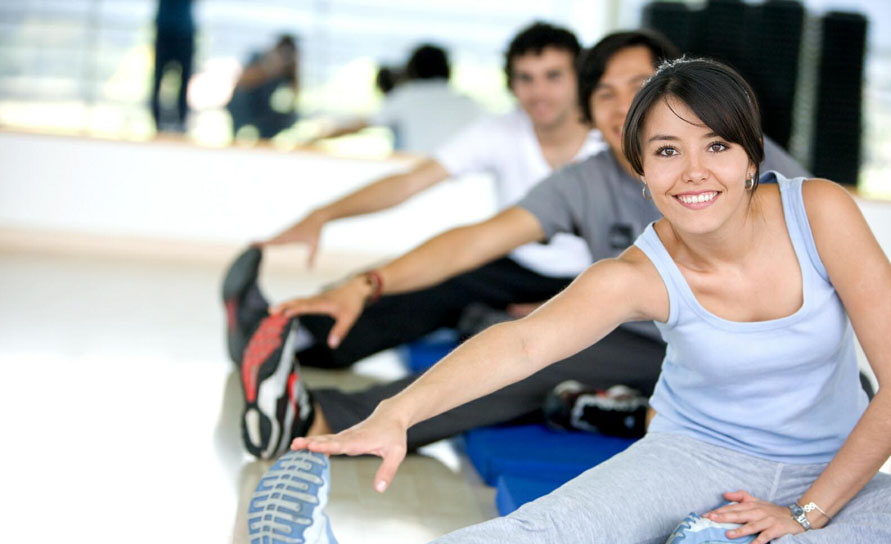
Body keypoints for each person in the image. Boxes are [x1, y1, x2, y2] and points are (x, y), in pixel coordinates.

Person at [247, 57, 891, 544]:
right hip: (695, 458)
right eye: (667, 151)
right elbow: (522, 343)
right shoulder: (639, 273)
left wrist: (802, 516)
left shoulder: (819, 212)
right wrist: (398, 412)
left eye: (717, 145)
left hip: (837, 464)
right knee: (553, 535)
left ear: (753, 156)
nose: (695, 171)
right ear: (641, 170)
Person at [231, 30, 808, 459]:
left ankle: (622, 409)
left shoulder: (740, 151)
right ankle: (319, 412)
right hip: (644, 340)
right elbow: (475, 241)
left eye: (639, 86)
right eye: (602, 93)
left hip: (751, 347)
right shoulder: (584, 180)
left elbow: (822, 250)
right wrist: (365, 284)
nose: (619, 105)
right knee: (523, 348)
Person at [226, 22, 606, 453]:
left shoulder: (608, 142)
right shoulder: (502, 131)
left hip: (592, 279)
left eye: (554, 76)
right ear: (511, 82)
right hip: (511, 262)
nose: (539, 92)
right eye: (525, 78)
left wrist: (562, 305)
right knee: (421, 282)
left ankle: (350, 412)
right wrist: (324, 215)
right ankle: (286, 337)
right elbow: (408, 184)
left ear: (580, 76)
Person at [314, 44, 484, 154]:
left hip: (415, 176)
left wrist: (310, 139)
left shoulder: (407, 96)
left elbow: (357, 125)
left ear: (413, 70)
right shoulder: (470, 102)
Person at [226, 34, 300, 139]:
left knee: (291, 117)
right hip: (244, 105)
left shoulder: (286, 70)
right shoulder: (259, 57)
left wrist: (293, 72)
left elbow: (294, 95)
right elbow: (242, 81)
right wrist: (268, 67)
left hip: (263, 112)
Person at [150, 0, 195, 132]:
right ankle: (157, 123)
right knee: (158, 80)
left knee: (183, 82)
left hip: (183, 30)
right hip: (167, 29)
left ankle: (181, 122)